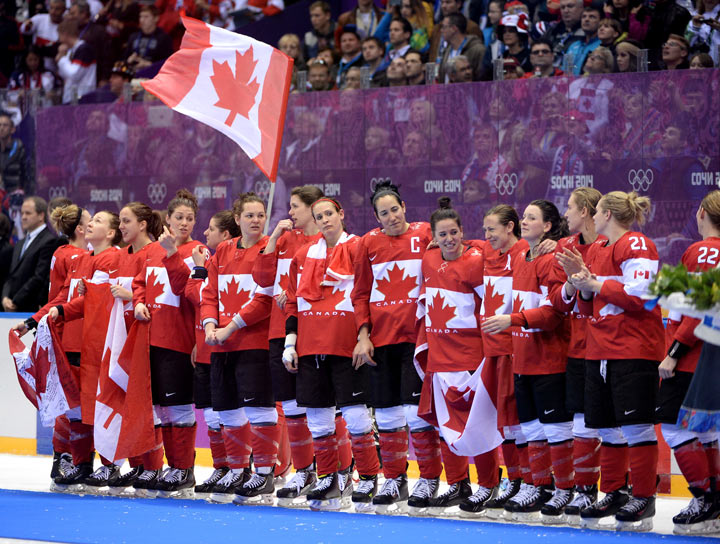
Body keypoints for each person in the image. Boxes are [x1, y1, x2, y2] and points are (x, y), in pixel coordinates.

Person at [559, 191, 664, 531]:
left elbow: (642, 296)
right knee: (605, 427)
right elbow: (589, 306)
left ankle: (644, 496)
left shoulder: (637, 244)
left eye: (597, 212)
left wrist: (594, 282)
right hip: (600, 349)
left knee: (636, 427)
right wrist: (581, 283)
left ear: (604, 214)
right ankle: (614, 490)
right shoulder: (601, 249)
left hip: (633, 349)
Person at [283, 197, 381, 512]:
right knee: (319, 419)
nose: (325, 220)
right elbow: (293, 302)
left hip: (346, 344)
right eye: (319, 216)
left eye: (329, 214)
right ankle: (327, 478)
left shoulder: (358, 247)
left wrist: (363, 335)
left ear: (341, 215)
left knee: (355, 415)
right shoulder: (302, 256)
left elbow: (366, 294)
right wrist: (290, 342)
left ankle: (367, 477)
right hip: (310, 346)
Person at [352, 181, 442, 515]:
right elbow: (360, 292)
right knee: (388, 414)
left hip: (416, 341)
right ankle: (395, 479)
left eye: (394, 209)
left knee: (415, 414)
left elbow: (455, 251)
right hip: (381, 340)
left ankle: (429, 478)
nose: (391, 217)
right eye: (383, 213)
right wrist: (363, 335)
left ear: (404, 206)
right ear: (375, 217)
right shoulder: (368, 243)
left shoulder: (425, 234)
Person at [483, 200, 572, 522]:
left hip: (549, 359)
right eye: (523, 216)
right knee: (532, 429)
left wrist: (513, 319)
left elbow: (553, 314)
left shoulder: (554, 259)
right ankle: (540, 485)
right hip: (522, 359)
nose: (523, 221)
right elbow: (488, 239)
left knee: (556, 429)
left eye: (531, 218)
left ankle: (564, 489)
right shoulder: (521, 255)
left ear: (547, 226)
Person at [251, 186, 339, 508]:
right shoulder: (285, 240)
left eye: (295, 207)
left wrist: (300, 294)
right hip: (279, 331)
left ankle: (339, 473)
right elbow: (261, 277)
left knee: (324, 407)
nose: (289, 213)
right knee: (290, 407)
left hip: (317, 332)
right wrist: (273, 238)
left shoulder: (330, 242)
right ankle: (304, 472)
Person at [415, 197, 499, 516]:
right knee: (446, 426)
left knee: (478, 424)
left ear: (463, 232)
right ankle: (458, 483)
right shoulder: (429, 258)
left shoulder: (478, 259)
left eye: (455, 232)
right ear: (434, 237)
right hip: (440, 359)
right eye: (443, 234)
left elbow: (489, 305)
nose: (449, 239)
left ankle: (489, 485)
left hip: (471, 359)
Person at [197, 193, 280, 505]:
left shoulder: (271, 247)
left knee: (260, 408)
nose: (256, 220)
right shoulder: (223, 251)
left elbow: (264, 299)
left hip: (254, 343)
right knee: (228, 409)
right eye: (250, 215)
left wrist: (230, 327)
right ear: (238, 218)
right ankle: (237, 470)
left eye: (260, 215)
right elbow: (209, 293)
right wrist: (208, 326)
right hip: (220, 343)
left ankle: (264, 472)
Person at [132, 189, 204, 499]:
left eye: (190, 218)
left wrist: (172, 253)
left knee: (179, 408)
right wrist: (137, 302)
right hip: (150, 338)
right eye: (179, 217)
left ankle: (183, 469)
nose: (185, 222)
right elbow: (138, 283)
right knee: (160, 409)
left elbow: (188, 290)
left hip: (179, 340)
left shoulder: (198, 251)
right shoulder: (149, 252)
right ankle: (166, 467)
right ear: (168, 219)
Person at [45, 210, 123, 491]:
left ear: (111, 233)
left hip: (101, 343)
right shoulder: (81, 258)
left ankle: (109, 465)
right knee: (77, 406)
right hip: (81, 342)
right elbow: (72, 297)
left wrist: (61, 310)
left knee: (100, 405)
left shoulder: (112, 258)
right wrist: (51, 312)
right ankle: (81, 464)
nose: (91, 224)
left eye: (98, 221)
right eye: (91, 220)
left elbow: (91, 302)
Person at [656, 191, 720, 533]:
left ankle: (703, 496)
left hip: (692, 356)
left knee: (673, 425)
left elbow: (697, 311)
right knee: (706, 429)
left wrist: (673, 353)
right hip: (710, 355)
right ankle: (713, 501)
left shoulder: (702, 251)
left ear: (701, 214)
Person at [549, 188, 606, 525]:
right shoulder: (564, 247)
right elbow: (558, 301)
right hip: (576, 347)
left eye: (569, 207)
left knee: (614, 425)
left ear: (585, 210)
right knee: (581, 423)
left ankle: (621, 488)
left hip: (608, 347)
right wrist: (571, 286)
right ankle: (584, 489)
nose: (565, 214)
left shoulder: (611, 246)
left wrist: (587, 280)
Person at [2, 196, 60, 312]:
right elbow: (11, 275)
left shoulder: (50, 241)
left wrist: (15, 301)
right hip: (11, 308)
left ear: (41, 216)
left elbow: (39, 277)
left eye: (28, 213)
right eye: (22, 213)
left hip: (32, 310)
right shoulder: (20, 243)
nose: (23, 217)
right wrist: (5, 297)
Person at [56, 18, 97, 103]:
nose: (59, 39)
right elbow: (63, 74)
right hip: (71, 97)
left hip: (83, 98)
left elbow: (74, 74)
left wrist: (62, 59)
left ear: (65, 34)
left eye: (59, 35)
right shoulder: (70, 51)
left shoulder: (84, 49)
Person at [438, 13, 486, 82]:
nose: (441, 30)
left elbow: (482, 78)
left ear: (453, 29)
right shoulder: (446, 51)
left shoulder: (478, 50)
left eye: (444, 27)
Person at [124, 6, 173, 72]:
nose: (142, 20)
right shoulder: (133, 37)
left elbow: (168, 62)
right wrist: (128, 61)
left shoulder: (164, 38)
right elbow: (124, 58)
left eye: (146, 17)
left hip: (153, 74)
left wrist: (150, 64)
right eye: (140, 16)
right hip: (132, 73)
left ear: (156, 18)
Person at [20, 0, 65, 71]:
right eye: (51, 8)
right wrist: (27, 25)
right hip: (36, 67)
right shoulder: (40, 18)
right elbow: (24, 30)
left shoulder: (67, 25)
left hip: (54, 69)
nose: (53, 12)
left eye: (57, 9)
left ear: (64, 10)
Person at [565, 5, 602, 75]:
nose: (586, 19)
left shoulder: (602, 45)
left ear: (600, 22)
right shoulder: (573, 46)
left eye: (592, 17)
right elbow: (566, 71)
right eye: (584, 16)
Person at [0, 112, 28, 193]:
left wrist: (23, 191)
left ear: (12, 129)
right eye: (0, 125)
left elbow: (26, 174)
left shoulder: (19, 147)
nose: (1, 128)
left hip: (15, 195)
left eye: (5, 125)